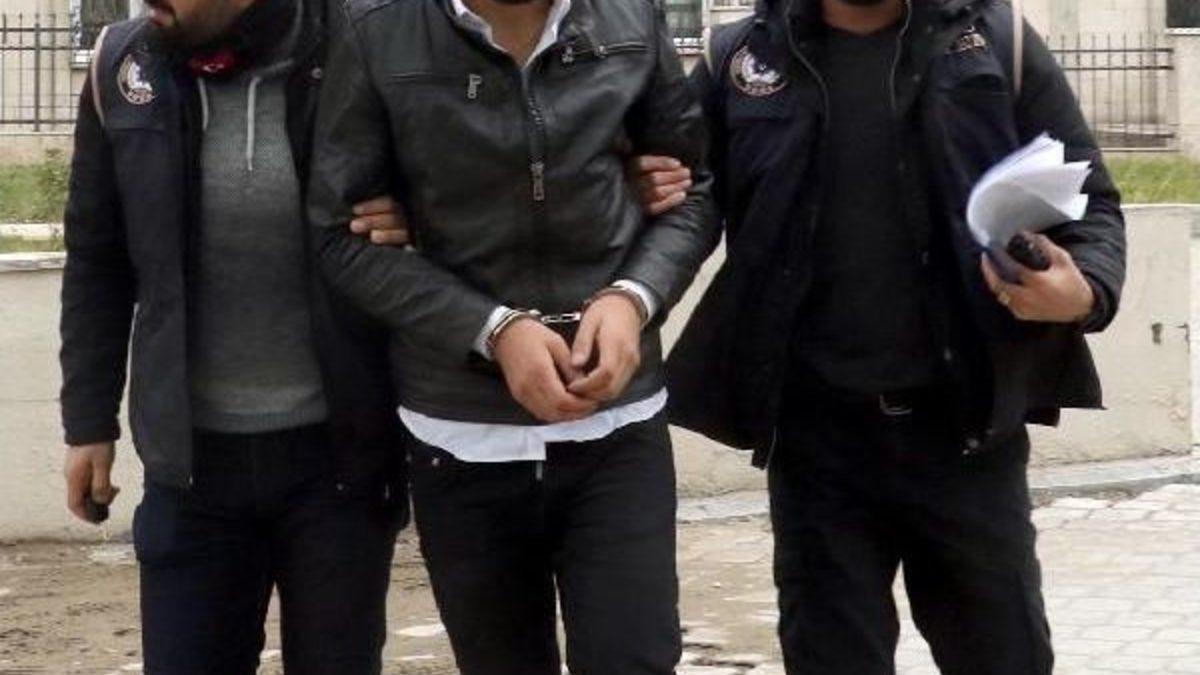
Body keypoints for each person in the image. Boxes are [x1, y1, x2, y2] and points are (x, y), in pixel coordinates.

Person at [665, 0, 1126, 673]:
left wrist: (1082, 289)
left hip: (964, 436)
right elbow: (679, 196)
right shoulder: (741, 60)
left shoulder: (996, 42)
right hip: (816, 446)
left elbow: (1092, 200)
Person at [306, 0, 719, 672]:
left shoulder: (629, 16)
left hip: (618, 428)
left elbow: (691, 191)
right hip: (460, 435)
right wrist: (490, 329)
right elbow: (340, 236)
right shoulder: (376, 29)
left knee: (634, 656)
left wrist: (634, 297)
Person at [58, 0, 415, 670]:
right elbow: (97, 261)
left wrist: (412, 223)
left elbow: (450, 182)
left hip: (337, 468)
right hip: (192, 473)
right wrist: (88, 422)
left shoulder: (358, 49)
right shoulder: (125, 70)